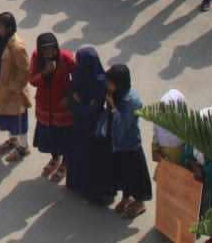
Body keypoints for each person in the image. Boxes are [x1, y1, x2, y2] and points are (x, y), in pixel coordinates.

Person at [64, 47, 114, 205]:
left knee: (87, 157)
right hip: (85, 124)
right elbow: (72, 99)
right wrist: (80, 104)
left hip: (90, 126)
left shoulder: (99, 83)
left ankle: (86, 189)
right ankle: (81, 186)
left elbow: (86, 107)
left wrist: (79, 104)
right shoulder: (95, 78)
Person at [105, 64, 152, 219]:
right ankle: (126, 198)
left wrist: (112, 106)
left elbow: (122, 125)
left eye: (110, 82)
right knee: (123, 173)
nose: (107, 84)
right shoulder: (117, 93)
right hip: (118, 144)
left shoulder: (130, 101)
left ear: (119, 83)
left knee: (134, 175)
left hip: (130, 145)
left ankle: (139, 203)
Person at [0, 12, 32, 164]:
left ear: (9, 28)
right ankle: (12, 141)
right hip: (0, 88)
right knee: (7, 120)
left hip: (14, 94)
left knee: (18, 122)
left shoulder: (17, 47)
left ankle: (23, 147)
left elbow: (25, 71)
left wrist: (14, 87)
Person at [31, 33, 76, 182]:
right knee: (49, 139)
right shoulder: (37, 57)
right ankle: (55, 158)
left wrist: (70, 98)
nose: (50, 53)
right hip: (44, 107)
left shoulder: (66, 58)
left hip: (62, 109)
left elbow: (80, 80)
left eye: (52, 49)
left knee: (65, 140)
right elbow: (32, 80)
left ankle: (65, 164)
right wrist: (44, 73)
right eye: (45, 50)